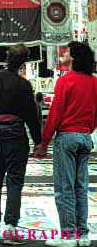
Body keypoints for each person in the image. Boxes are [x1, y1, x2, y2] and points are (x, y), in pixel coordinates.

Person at [35, 42, 97, 247]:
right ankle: (83, 234)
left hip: (67, 138)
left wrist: (44, 142)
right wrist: (87, 129)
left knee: (64, 187)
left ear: (74, 57)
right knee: (81, 187)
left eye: (67, 51)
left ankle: (68, 235)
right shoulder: (94, 82)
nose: (63, 53)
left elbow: (55, 114)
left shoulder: (65, 81)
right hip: (85, 137)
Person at [0, 44, 42, 244]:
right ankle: (10, 227)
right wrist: (39, 142)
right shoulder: (23, 85)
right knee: (14, 183)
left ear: (6, 58)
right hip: (15, 134)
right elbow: (32, 116)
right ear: (23, 63)